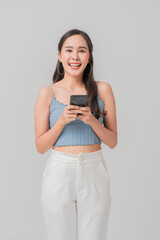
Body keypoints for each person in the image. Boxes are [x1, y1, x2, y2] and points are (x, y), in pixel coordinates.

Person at [34, 29, 118, 240]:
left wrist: (91, 120)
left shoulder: (103, 89)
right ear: (60, 55)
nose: (75, 56)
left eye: (82, 50)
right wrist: (61, 121)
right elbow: (41, 146)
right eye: (69, 50)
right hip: (59, 172)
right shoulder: (47, 93)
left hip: (94, 170)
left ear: (89, 56)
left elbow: (113, 141)